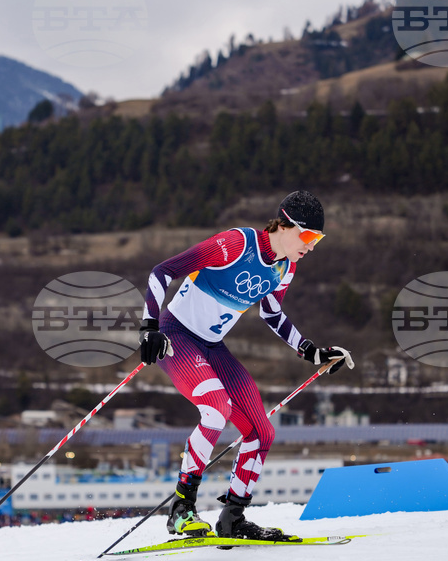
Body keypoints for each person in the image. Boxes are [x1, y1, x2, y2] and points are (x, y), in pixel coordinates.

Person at [139, 190, 354, 540]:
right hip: (176, 335)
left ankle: (233, 518)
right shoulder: (235, 244)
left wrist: (311, 351)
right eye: (308, 236)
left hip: (212, 346)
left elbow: (272, 313)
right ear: (284, 225)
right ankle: (181, 509)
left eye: (319, 239)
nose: (312, 246)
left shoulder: (286, 267)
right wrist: (149, 327)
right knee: (216, 409)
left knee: (261, 432)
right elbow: (162, 272)